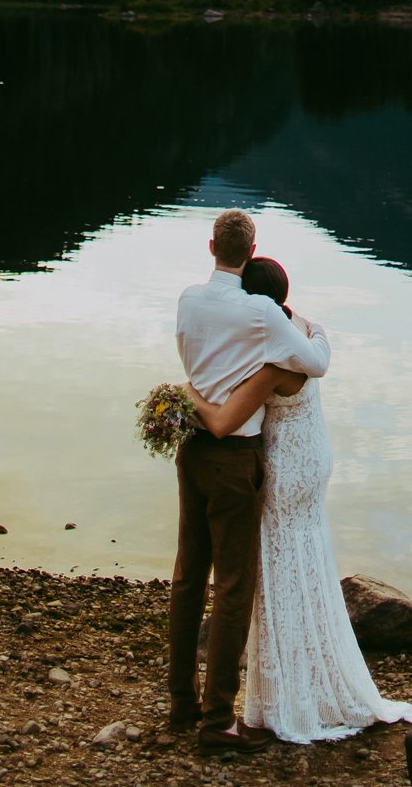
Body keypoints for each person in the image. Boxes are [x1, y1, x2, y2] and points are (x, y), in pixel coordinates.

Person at [187, 254, 412, 746]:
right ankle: (311, 675)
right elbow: (321, 343)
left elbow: (223, 421)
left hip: (283, 467)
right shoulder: (300, 329)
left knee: (276, 571)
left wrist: (187, 392)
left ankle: (286, 696)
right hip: (313, 457)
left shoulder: (271, 364)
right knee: (306, 559)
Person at [170, 209, 332, 756]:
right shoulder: (262, 312)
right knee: (234, 586)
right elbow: (314, 362)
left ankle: (181, 703)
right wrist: (309, 332)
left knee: (189, 577)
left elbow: (194, 367)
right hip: (236, 458)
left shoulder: (189, 299)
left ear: (210, 244)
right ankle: (218, 722)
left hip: (190, 450)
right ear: (251, 245)